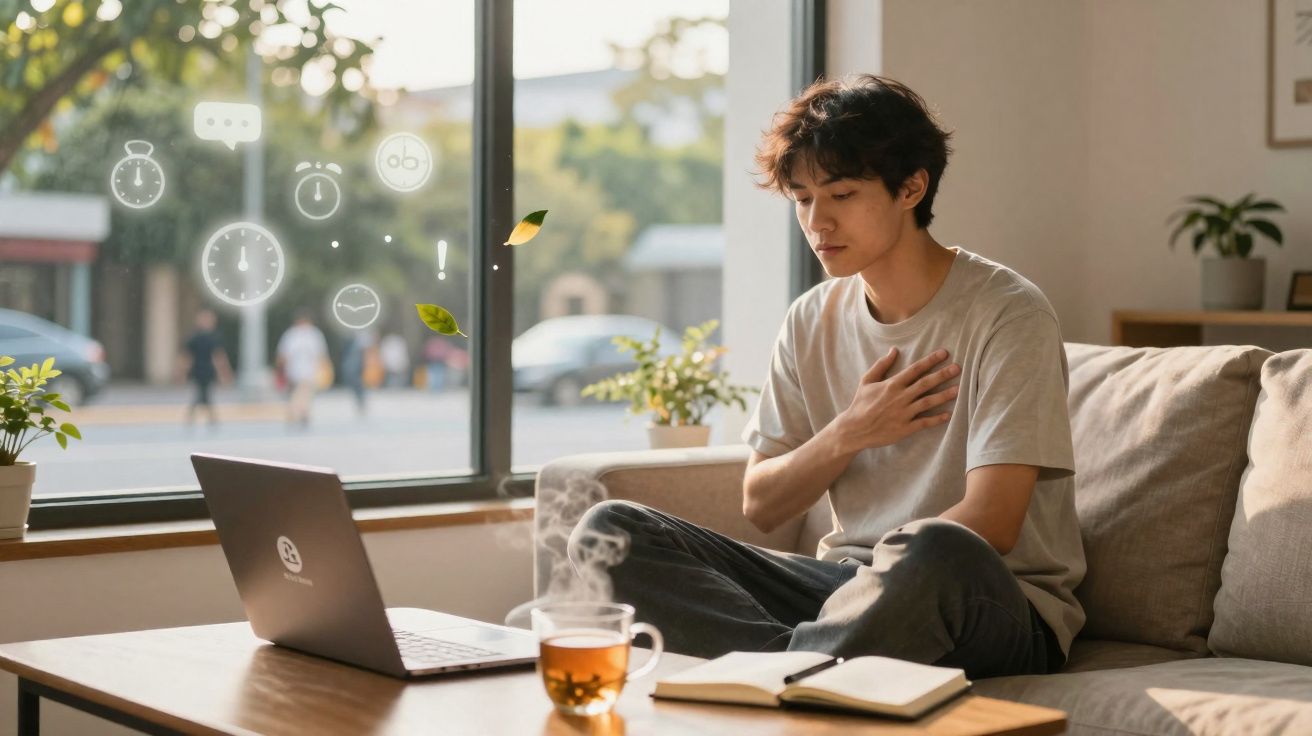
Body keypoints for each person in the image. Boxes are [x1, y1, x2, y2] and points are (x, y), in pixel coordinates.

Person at [568, 74, 1085, 681]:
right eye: (803, 199)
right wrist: (850, 431)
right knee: (610, 531)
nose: (818, 222)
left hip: (988, 600)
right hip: (845, 586)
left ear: (911, 187)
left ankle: (777, 677)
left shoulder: (1008, 312)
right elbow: (762, 503)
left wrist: (879, 581)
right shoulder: (810, 318)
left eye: (841, 194)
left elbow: (994, 521)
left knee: (932, 549)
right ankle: (800, 676)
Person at [176, 309, 233, 427]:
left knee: (203, 393)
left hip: (206, 371)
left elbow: (218, 357)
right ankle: (209, 418)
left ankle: (199, 417)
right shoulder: (195, 338)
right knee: (203, 394)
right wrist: (182, 373)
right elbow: (187, 357)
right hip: (199, 371)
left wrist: (224, 373)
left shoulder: (210, 338)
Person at [275, 309, 329, 427]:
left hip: (308, 371)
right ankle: (300, 413)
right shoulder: (294, 334)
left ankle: (299, 413)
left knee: (303, 392)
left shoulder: (311, 334)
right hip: (295, 370)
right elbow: (284, 355)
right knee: (301, 393)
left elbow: (320, 355)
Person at [340, 329, 378, 415]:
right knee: (357, 385)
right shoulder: (353, 342)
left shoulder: (361, 341)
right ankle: (360, 403)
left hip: (359, 366)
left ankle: (362, 403)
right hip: (355, 367)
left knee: (359, 385)